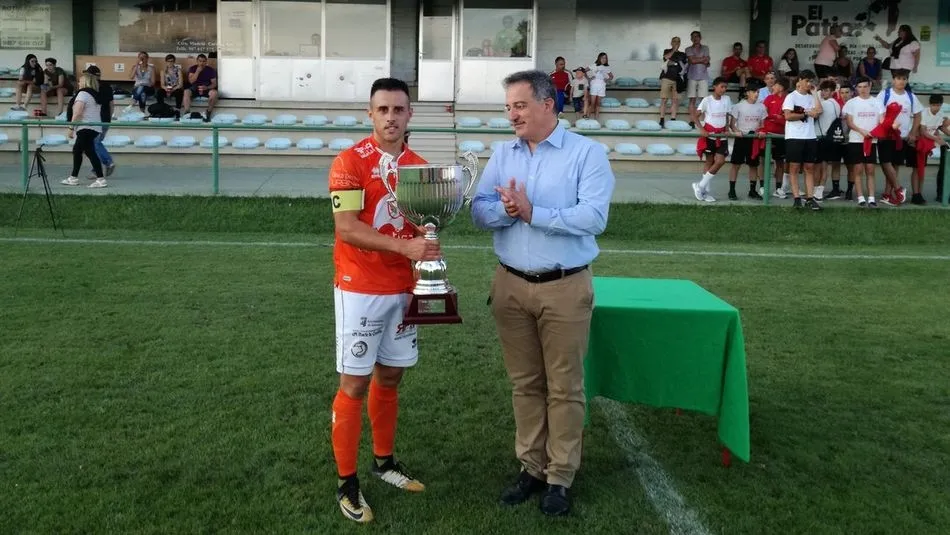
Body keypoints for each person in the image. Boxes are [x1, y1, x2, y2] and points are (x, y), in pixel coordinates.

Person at [471, 69, 615, 517]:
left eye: (520, 105)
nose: (512, 114)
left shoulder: (587, 154)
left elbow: (593, 218)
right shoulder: (502, 153)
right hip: (510, 285)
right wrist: (508, 212)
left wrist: (535, 213)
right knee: (525, 384)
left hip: (565, 287)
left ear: (547, 104)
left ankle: (561, 476)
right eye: (508, 106)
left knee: (565, 387)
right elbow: (479, 210)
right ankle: (531, 467)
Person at [327, 77, 439, 524]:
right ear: (370, 114)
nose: (391, 117)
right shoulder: (349, 162)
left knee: (391, 377)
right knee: (354, 384)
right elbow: (347, 228)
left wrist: (428, 254)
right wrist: (406, 249)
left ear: (410, 114)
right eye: (383, 110)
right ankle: (347, 482)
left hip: (403, 290)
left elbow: (422, 229)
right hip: (359, 289)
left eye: (399, 109)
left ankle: (385, 462)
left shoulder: (420, 168)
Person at [875, 68, 921, 205]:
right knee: (885, 163)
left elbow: (918, 115)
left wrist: (913, 132)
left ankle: (887, 194)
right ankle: (899, 189)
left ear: (907, 80)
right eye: (899, 78)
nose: (901, 81)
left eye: (904, 79)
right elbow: (878, 113)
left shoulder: (911, 96)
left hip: (902, 137)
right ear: (893, 80)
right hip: (885, 135)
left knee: (894, 165)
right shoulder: (884, 94)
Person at [782, 69, 823, 210]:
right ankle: (797, 198)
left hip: (810, 136)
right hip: (794, 136)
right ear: (799, 80)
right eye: (807, 81)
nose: (809, 84)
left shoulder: (811, 97)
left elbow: (818, 111)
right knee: (794, 167)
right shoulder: (791, 97)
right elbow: (787, 116)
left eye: (811, 81)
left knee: (809, 167)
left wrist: (815, 94)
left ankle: (810, 198)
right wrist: (805, 113)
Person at [843, 76, 885, 207]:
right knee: (858, 169)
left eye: (865, 86)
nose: (862, 89)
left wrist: (875, 132)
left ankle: (871, 198)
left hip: (872, 140)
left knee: (871, 169)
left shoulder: (877, 102)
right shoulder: (851, 103)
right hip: (856, 140)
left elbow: (882, 120)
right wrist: (861, 131)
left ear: (870, 86)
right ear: (856, 88)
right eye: (859, 87)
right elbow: (849, 122)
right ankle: (861, 197)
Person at [62, 73, 106, 189]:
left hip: (85, 127)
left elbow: (77, 112)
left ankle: (100, 179)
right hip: (94, 127)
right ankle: (73, 177)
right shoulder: (94, 94)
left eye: (80, 81)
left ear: (86, 82)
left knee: (89, 152)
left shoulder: (83, 94)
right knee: (78, 150)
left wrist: (71, 128)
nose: (78, 83)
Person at [692, 77, 733, 202]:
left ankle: (700, 186)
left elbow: (726, 115)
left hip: (722, 135)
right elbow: (695, 115)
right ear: (714, 87)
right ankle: (705, 192)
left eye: (725, 87)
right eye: (721, 86)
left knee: (720, 161)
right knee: (709, 161)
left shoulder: (727, 99)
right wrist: (701, 129)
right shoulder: (707, 100)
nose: (724, 89)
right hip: (710, 134)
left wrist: (726, 128)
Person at [728, 81, 766, 200]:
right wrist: (737, 131)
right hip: (741, 138)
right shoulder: (739, 106)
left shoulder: (761, 106)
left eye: (758, 92)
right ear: (748, 93)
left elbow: (763, 124)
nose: (756, 94)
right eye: (754, 92)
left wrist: (760, 131)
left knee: (753, 165)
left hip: (754, 139)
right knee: (736, 164)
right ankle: (732, 190)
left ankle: (752, 190)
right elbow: (732, 124)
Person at [914, 94, 950, 204]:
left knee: (922, 170)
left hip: (929, 142)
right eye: (934, 105)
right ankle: (917, 194)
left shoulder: (941, 114)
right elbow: (923, 132)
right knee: (918, 170)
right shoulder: (924, 113)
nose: (936, 108)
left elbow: (942, 127)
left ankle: (936, 194)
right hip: (919, 143)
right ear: (930, 104)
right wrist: (937, 138)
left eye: (938, 105)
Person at [84, 66, 116, 178]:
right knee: (95, 143)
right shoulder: (107, 86)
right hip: (106, 118)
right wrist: (110, 118)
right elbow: (111, 104)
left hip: (97, 119)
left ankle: (107, 163)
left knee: (94, 143)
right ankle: (96, 169)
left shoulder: (92, 88)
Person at [659, 36, 688, 127]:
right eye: (674, 41)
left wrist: (672, 62)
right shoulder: (667, 51)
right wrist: (674, 51)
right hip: (666, 77)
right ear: (671, 43)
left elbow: (684, 66)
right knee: (664, 99)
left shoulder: (683, 54)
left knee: (675, 100)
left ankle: (673, 119)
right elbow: (666, 58)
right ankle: (662, 119)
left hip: (677, 79)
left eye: (678, 42)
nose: (676, 43)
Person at [181, 54, 219, 122]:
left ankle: (208, 112)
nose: (202, 63)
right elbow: (191, 81)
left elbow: (214, 84)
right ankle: (187, 112)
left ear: (206, 62)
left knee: (214, 93)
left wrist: (207, 87)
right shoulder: (193, 68)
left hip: (206, 88)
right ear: (197, 61)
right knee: (186, 91)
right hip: (195, 88)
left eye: (204, 61)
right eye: (200, 61)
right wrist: (197, 71)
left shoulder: (210, 70)